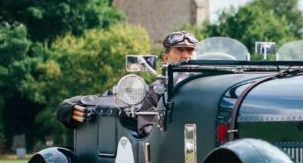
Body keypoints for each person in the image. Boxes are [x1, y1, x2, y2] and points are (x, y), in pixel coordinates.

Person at [57, 31, 199, 133]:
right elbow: (147, 128)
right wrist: (69, 106)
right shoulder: (158, 88)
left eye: (190, 50)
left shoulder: (205, 85)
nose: (186, 55)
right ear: (166, 58)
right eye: (180, 50)